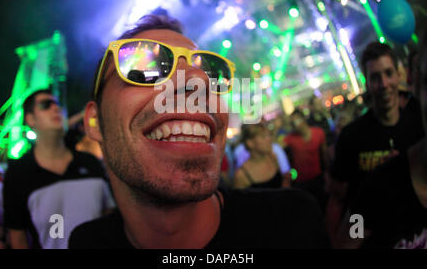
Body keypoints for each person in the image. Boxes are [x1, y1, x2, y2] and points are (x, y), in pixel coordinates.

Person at [68, 14, 330, 249]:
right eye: (144, 68)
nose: (199, 79)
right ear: (95, 122)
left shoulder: (293, 223)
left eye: (209, 71)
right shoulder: (87, 243)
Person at [336, 33, 427, 249]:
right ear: (367, 83)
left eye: (388, 74)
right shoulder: (351, 136)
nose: (384, 84)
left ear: (399, 76)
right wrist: (356, 237)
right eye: (375, 77)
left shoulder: (418, 124)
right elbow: (341, 201)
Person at [3, 89, 116, 249]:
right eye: (45, 105)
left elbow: (109, 214)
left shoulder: (90, 162)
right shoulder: (18, 173)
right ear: (30, 119)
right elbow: (17, 235)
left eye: (57, 104)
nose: (55, 108)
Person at [283, 109, 328, 210]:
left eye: (296, 121)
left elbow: (325, 155)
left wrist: (327, 174)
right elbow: (276, 147)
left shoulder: (318, 132)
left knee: (322, 205)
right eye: (292, 123)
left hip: (318, 178)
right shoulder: (290, 138)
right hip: (301, 182)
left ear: (303, 119)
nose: (295, 125)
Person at [233, 124, 291, 189]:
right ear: (250, 143)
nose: (270, 139)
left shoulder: (272, 157)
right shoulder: (241, 175)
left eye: (269, 135)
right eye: (263, 136)